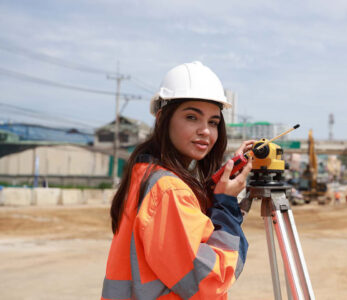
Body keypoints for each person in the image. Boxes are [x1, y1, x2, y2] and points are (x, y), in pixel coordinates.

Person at [101, 61, 254, 299]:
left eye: (213, 122)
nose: (205, 130)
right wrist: (226, 204)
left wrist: (215, 189)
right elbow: (210, 282)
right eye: (192, 117)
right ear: (163, 118)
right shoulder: (168, 190)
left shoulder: (145, 173)